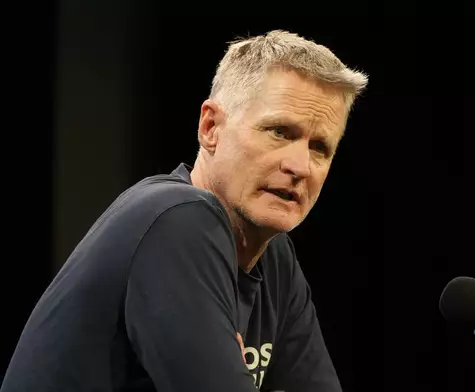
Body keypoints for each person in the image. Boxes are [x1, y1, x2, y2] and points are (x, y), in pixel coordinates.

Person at [1, 30, 367, 392]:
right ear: (210, 128)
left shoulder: (275, 257)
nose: (300, 166)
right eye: (279, 132)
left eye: (320, 147)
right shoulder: (178, 220)